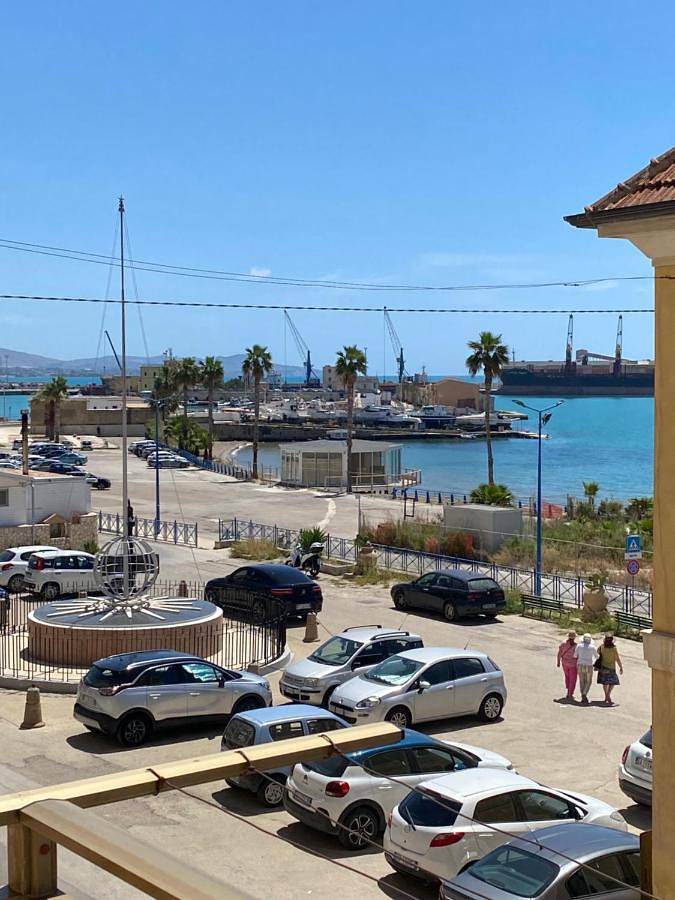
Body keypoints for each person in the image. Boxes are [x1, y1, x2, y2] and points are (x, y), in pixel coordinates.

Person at [596, 633, 623, 705]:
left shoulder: (601, 647)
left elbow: (597, 653)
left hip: (603, 667)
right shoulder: (614, 648)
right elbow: (617, 659)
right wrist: (621, 667)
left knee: (605, 683)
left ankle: (606, 696)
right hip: (611, 667)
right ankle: (608, 695)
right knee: (613, 682)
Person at [574, 633, 597, 704]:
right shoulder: (592, 647)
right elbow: (597, 656)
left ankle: (582, 695)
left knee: (582, 681)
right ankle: (584, 693)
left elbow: (575, 655)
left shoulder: (579, 646)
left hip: (580, 664)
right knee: (588, 681)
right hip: (589, 665)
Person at [557, 630, 578, 700]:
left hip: (564, 663)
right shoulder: (576, 646)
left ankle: (568, 688)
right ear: (574, 637)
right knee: (573, 679)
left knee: (567, 676)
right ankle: (570, 693)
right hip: (573, 665)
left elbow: (559, 653)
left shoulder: (563, 644)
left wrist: (558, 662)